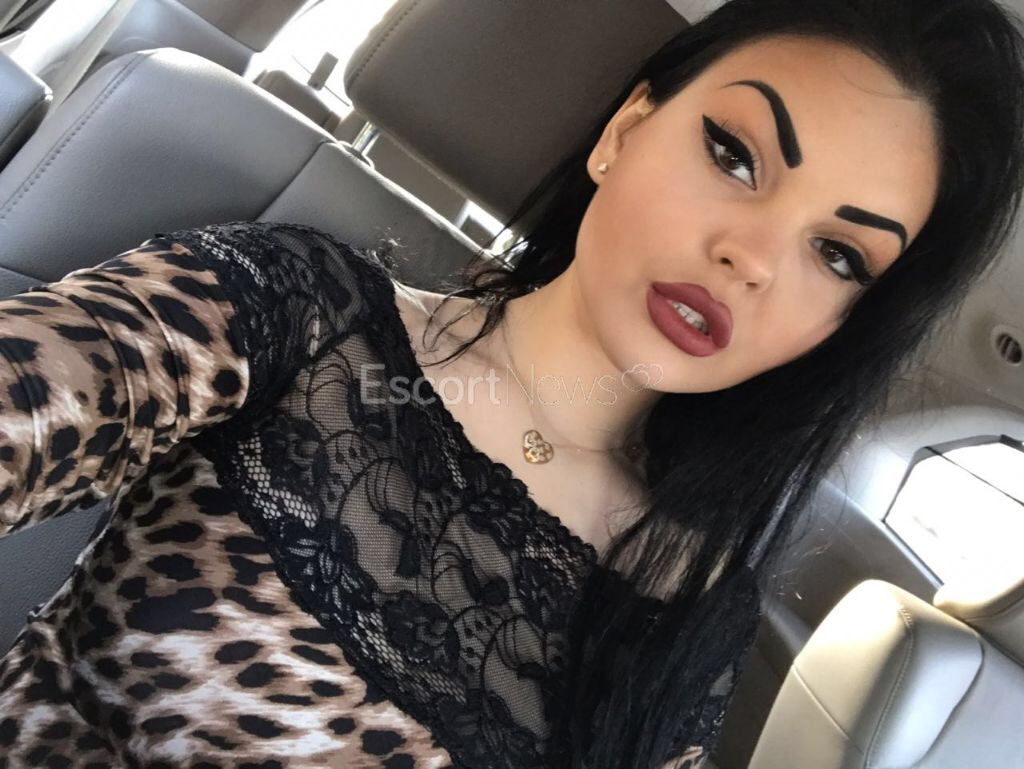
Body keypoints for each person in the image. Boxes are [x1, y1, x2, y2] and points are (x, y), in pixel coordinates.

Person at [1, 0, 1022, 767]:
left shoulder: (689, 596)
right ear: (624, 130)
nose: (750, 258)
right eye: (735, 156)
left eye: (838, 256)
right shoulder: (294, 307)